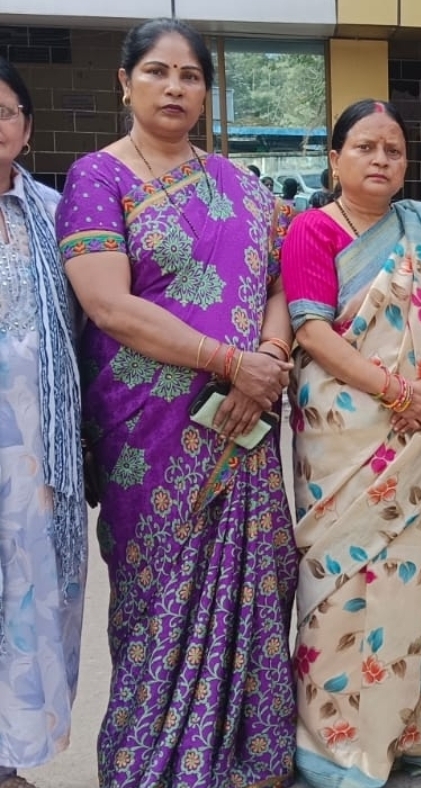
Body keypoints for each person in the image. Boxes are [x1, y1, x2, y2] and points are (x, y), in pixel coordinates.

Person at [56, 18, 298, 788]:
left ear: (205, 93)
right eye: (157, 72)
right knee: (155, 598)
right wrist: (229, 363)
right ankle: (150, 764)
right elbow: (109, 306)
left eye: (190, 76)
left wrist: (268, 359)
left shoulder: (244, 187)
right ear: (124, 83)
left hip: (246, 423)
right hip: (149, 437)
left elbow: (281, 281)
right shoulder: (97, 178)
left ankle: (248, 756)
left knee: (255, 584)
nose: (174, 87)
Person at [281, 98, 421, 788]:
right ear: (335, 160)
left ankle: (417, 727)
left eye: (393, 149)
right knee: (343, 581)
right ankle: (340, 740)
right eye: (365, 147)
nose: (381, 159)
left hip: (420, 427)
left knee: (418, 570)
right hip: (345, 437)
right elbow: (311, 331)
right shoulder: (312, 229)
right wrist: (397, 392)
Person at [0, 57, 85, 788]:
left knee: (33, 598)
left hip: (40, 450)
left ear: (26, 127)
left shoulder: (56, 214)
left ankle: (11, 758)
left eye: (4, 111)